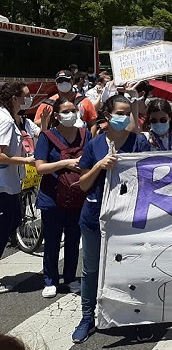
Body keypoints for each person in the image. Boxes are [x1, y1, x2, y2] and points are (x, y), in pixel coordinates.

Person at [72, 95, 151, 344]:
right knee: (91, 269)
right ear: (107, 114)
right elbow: (83, 185)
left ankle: (137, 317)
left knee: (131, 269)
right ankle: (87, 318)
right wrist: (99, 166)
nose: (123, 117)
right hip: (94, 217)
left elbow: (150, 178)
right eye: (119, 112)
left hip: (128, 220)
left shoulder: (139, 142)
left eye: (127, 113)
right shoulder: (94, 145)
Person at [34, 98, 90, 299]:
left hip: (77, 195)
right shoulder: (47, 137)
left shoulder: (85, 135)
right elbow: (40, 167)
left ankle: (70, 278)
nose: (71, 114)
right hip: (53, 196)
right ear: (57, 116)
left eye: (74, 110)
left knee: (74, 239)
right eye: (66, 111)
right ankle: (50, 280)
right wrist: (66, 163)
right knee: (52, 240)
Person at [0, 83, 36, 294]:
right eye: (26, 96)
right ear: (14, 98)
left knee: (13, 222)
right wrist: (26, 161)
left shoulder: (10, 118)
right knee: (4, 229)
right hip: (3, 185)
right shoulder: (4, 121)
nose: (28, 100)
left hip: (9, 183)